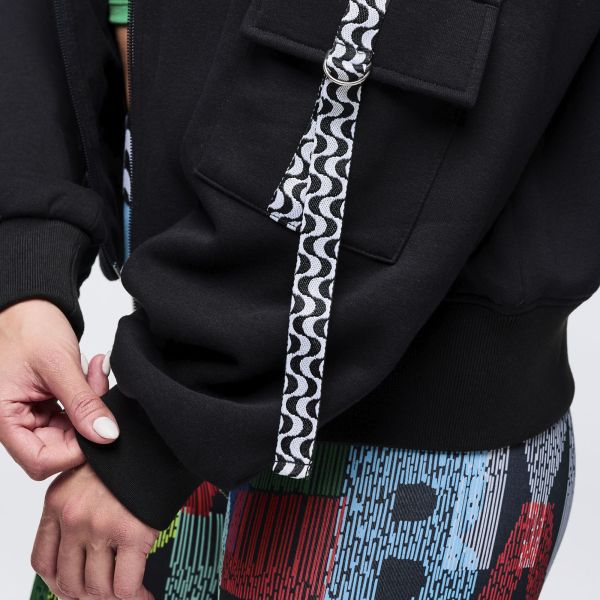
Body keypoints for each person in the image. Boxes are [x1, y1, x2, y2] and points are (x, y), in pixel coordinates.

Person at [1, 0, 598, 598]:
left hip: (386, 447)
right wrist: (27, 261)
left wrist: (164, 426)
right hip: (172, 385)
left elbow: (393, 36)